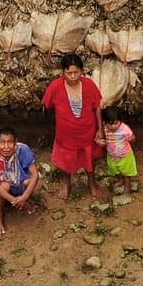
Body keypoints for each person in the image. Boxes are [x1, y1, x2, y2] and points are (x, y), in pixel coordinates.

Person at [42, 53, 104, 199]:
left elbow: (97, 107)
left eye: (76, 72)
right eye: (69, 73)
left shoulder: (89, 85)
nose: (73, 76)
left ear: (82, 71)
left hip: (87, 130)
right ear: (63, 72)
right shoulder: (55, 86)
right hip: (66, 134)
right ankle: (66, 183)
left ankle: (91, 183)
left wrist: (100, 129)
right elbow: (47, 104)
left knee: (89, 158)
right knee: (66, 159)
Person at [0, 126, 41, 235]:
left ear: (15, 143)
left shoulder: (23, 149)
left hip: (20, 181)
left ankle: (25, 201)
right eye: (2, 142)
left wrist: (24, 197)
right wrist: (14, 200)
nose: (6, 147)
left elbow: (35, 175)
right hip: (3, 187)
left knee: (29, 181)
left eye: (10, 142)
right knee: (3, 186)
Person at [102, 105, 137, 193]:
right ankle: (121, 180)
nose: (113, 126)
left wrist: (131, 138)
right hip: (112, 156)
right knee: (115, 171)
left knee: (126, 173)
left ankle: (127, 189)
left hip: (125, 156)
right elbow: (101, 138)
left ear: (120, 121)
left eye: (116, 123)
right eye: (110, 123)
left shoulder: (124, 128)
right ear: (105, 122)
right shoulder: (104, 128)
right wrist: (101, 142)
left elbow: (133, 137)